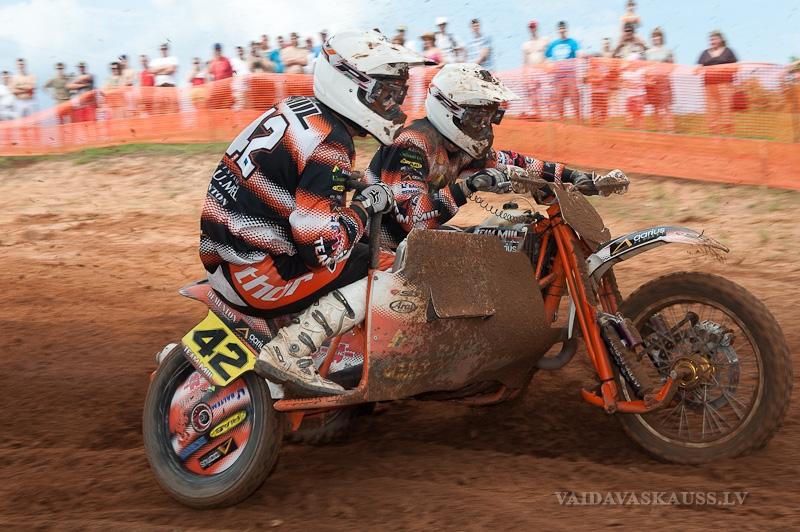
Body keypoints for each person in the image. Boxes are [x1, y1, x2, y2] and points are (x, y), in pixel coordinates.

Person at [200, 29, 431, 395]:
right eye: (384, 95)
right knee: (392, 271)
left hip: (229, 255)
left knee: (362, 252)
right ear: (349, 84)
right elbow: (320, 248)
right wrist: (364, 206)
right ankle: (292, 350)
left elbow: (288, 175)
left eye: (396, 95)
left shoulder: (298, 109)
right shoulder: (331, 141)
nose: (391, 106)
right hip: (258, 275)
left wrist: (347, 184)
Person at [365, 62, 628, 252]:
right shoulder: (413, 143)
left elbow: (515, 162)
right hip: (381, 252)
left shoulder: (458, 148)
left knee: (513, 239)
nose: (484, 127)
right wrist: (468, 187)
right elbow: (412, 217)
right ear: (450, 110)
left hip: (416, 245)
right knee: (489, 254)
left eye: (490, 118)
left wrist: (577, 177)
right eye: (478, 118)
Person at [698, 30, 738, 135]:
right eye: (711, 39)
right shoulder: (705, 53)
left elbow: (736, 67)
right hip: (709, 85)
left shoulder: (728, 51)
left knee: (726, 106)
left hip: (725, 84)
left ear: (721, 40)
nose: (712, 41)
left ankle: (728, 130)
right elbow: (699, 68)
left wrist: (722, 69)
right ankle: (714, 130)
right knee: (711, 107)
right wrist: (697, 70)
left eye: (715, 39)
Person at [546, 21, 582, 121]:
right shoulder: (553, 44)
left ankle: (578, 119)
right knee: (559, 97)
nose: (562, 30)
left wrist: (581, 56)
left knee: (574, 96)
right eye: (560, 28)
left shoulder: (572, 42)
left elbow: (579, 53)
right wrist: (549, 65)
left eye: (563, 28)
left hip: (570, 75)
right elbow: (547, 57)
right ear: (558, 30)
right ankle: (561, 120)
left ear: (566, 29)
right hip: (558, 76)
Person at [644, 27, 675, 132]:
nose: (655, 38)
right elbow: (645, 67)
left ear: (661, 37)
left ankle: (670, 129)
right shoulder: (648, 52)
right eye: (654, 36)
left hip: (664, 82)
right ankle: (659, 129)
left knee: (666, 106)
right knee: (655, 107)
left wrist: (665, 72)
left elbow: (673, 65)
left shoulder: (667, 51)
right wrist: (648, 78)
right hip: (652, 83)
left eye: (657, 36)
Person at [522, 20, 550, 119]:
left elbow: (548, 57)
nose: (532, 29)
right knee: (532, 94)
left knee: (543, 94)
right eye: (531, 27)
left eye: (534, 27)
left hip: (542, 71)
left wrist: (547, 69)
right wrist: (524, 76)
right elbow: (525, 61)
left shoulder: (544, 41)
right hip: (531, 71)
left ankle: (544, 115)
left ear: (537, 28)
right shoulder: (526, 44)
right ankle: (535, 114)